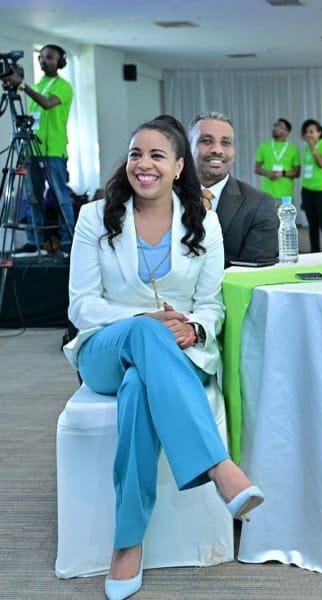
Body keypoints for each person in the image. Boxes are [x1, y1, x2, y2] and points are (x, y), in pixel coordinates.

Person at [63, 116, 264, 600]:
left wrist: (193, 328)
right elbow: (81, 305)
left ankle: (127, 544)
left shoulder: (202, 221)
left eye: (157, 155)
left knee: (140, 387)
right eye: (136, 153)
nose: (144, 164)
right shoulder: (95, 217)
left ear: (178, 167)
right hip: (105, 348)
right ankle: (219, 467)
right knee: (142, 337)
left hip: (177, 351)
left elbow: (211, 305)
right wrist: (144, 321)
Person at [1, 44, 75, 253]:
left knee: (60, 197)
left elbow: (47, 104)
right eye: (41, 57)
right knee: (32, 197)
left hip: (54, 150)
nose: (44, 60)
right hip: (32, 149)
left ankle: (68, 240)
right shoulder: (39, 84)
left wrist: (22, 85)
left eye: (49, 57)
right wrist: (17, 85)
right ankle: (35, 241)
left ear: (60, 61)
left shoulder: (63, 86)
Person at [190, 111, 278, 266]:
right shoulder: (166, 198)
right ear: (188, 148)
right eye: (206, 141)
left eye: (226, 143)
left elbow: (254, 270)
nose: (217, 150)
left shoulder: (259, 204)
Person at [298, 118, 322, 252]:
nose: (308, 135)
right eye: (306, 132)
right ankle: (314, 252)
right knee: (312, 224)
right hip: (307, 189)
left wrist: (313, 147)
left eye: (312, 132)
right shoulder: (305, 148)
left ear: (319, 133)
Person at [254, 117, 301, 201]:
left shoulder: (293, 149)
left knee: (286, 210)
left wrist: (282, 174)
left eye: (280, 126)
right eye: (275, 125)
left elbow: (297, 172)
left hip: (286, 195)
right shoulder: (264, 146)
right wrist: (268, 173)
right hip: (267, 195)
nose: (276, 128)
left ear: (287, 132)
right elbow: (257, 169)